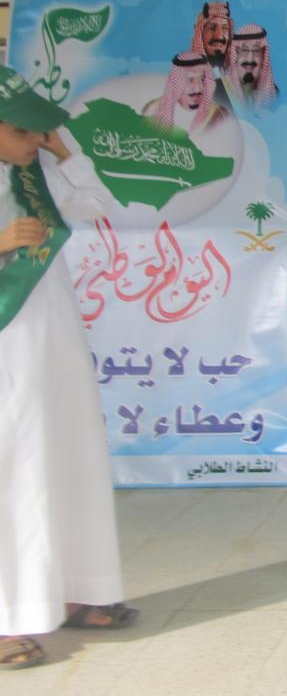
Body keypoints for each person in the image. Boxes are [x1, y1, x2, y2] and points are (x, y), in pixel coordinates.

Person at [0, 66, 136, 670]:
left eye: (39, 130)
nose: (35, 140)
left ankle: (80, 590)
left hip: (53, 337)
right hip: (8, 342)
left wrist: (64, 151)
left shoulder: (33, 172)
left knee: (70, 455)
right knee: (13, 471)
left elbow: (98, 203)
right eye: (23, 131)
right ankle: (9, 617)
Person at [143, 51, 228, 134]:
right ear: (176, 82)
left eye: (202, 79)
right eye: (190, 80)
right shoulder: (153, 110)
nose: (198, 88)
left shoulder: (218, 115)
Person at [228, 24, 278, 112]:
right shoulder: (223, 92)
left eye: (256, 50)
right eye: (244, 49)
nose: (250, 58)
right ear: (235, 55)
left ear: (263, 56)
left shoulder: (274, 94)